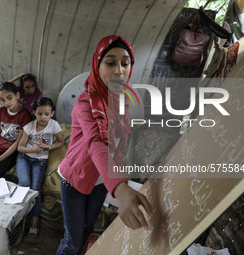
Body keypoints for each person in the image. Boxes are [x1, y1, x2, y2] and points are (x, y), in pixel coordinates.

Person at [56, 35, 152, 255]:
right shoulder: (85, 103)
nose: (119, 70)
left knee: (88, 228)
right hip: (76, 178)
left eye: (125, 63)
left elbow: (117, 145)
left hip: (101, 181)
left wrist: (122, 180)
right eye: (110, 62)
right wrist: (120, 188)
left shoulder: (122, 100)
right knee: (72, 241)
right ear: (97, 65)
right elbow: (96, 144)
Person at [17, 96, 64, 237]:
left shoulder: (54, 125)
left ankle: (35, 220)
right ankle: (20, 218)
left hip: (40, 161)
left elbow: (61, 142)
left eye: (46, 114)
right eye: (39, 114)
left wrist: (48, 147)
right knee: (24, 183)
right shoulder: (29, 127)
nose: (43, 117)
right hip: (24, 157)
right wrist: (32, 150)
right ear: (34, 112)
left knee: (35, 189)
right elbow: (20, 147)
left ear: (52, 114)